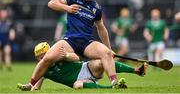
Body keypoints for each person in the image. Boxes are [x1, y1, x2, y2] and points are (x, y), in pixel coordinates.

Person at [27, 0, 118, 89]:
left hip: (87, 43)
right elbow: (51, 3)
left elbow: (101, 28)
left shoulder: (97, 9)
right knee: (47, 58)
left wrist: (109, 48)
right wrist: (67, 8)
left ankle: (114, 83)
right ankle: (31, 84)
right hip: (70, 41)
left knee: (106, 53)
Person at [17, 42, 148, 91]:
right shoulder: (43, 70)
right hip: (80, 81)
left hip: (86, 68)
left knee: (101, 61)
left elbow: (76, 58)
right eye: (38, 57)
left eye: (43, 55)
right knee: (77, 86)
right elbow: (36, 88)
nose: (41, 59)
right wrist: (30, 87)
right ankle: (114, 87)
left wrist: (67, 55)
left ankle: (137, 71)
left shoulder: (59, 55)